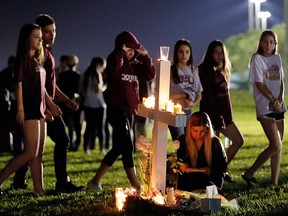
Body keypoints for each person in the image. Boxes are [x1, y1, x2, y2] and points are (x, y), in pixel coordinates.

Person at [12, 14, 83, 193]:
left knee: (34, 150)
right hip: (38, 108)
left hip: (44, 106)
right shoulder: (36, 55)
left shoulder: (46, 53)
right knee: (56, 141)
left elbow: (49, 84)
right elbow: (32, 85)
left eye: (54, 31)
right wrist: (47, 106)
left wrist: (66, 100)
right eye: (47, 32)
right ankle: (61, 181)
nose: (51, 35)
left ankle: (26, 183)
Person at [87, 31, 156, 191]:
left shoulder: (135, 63)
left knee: (120, 146)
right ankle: (136, 185)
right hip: (116, 109)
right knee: (125, 145)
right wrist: (121, 53)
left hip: (130, 111)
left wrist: (145, 56)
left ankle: (95, 181)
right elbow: (111, 73)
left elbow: (150, 74)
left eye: (133, 49)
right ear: (121, 48)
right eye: (128, 49)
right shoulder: (114, 59)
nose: (131, 52)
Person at [0, 23, 56, 195]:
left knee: (38, 153)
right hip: (29, 109)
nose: (40, 40)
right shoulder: (23, 59)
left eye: (40, 37)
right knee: (30, 152)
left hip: (40, 110)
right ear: (26, 38)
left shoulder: (37, 60)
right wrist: (21, 109)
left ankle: (39, 190)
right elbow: (19, 84)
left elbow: (42, 88)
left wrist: (48, 107)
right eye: (35, 36)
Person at [242, 30, 286, 187]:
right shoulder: (256, 59)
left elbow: (281, 81)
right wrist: (272, 100)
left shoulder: (277, 58)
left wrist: (280, 99)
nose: (269, 45)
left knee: (278, 147)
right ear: (260, 43)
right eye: (265, 41)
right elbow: (259, 84)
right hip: (265, 105)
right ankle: (250, 173)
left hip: (279, 105)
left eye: (272, 42)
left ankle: (274, 182)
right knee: (275, 144)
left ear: (275, 44)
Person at [198, 40, 244, 183]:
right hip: (213, 118)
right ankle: (214, 177)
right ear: (210, 54)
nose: (219, 55)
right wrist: (217, 121)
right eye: (216, 52)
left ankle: (220, 171)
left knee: (237, 141)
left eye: (221, 52)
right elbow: (209, 98)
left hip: (225, 117)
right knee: (214, 151)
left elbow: (224, 99)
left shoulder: (220, 71)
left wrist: (227, 117)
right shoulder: (205, 70)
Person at [177, 111, 228, 191]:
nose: (198, 135)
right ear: (189, 128)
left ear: (207, 129)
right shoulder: (183, 140)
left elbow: (222, 167)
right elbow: (177, 160)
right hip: (188, 180)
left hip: (209, 181)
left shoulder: (214, 142)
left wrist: (210, 171)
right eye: (195, 131)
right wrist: (182, 164)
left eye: (202, 131)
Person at [168, 39, 202, 141]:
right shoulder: (171, 70)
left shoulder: (193, 71)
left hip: (188, 112)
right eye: (181, 52)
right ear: (176, 53)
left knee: (190, 142)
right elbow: (166, 95)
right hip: (176, 112)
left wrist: (193, 103)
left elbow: (199, 93)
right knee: (180, 142)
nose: (184, 55)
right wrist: (183, 96)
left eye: (187, 52)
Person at [80, 57, 107, 155]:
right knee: (101, 128)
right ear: (99, 64)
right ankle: (102, 150)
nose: (103, 69)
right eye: (103, 66)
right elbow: (98, 90)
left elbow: (81, 90)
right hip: (99, 105)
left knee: (88, 128)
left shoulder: (84, 75)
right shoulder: (97, 75)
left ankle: (86, 149)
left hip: (88, 104)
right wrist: (105, 86)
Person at [57, 55, 82, 151]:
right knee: (76, 124)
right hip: (75, 101)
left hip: (64, 102)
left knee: (68, 124)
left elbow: (59, 88)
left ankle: (70, 142)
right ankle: (77, 143)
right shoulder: (78, 76)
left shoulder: (62, 75)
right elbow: (80, 90)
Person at [0, 56, 15, 153]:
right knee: (9, 126)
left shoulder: (3, 73)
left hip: (2, 103)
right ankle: (9, 146)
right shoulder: (10, 73)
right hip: (5, 103)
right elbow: (10, 90)